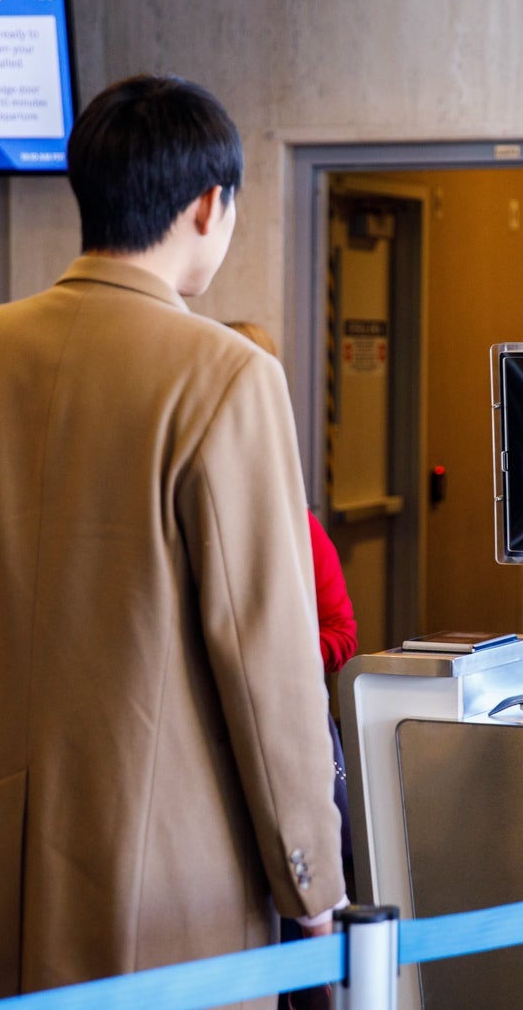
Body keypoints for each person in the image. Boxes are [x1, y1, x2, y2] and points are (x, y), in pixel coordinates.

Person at [0, 74, 346, 1010]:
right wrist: (312, 888)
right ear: (209, 204)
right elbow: (266, 657)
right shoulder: (227, 375)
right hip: (157, 869)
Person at [223, 320, 357, 1010]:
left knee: (306, 924)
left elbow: (342, 631)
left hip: (294, 736)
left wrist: (291, 651)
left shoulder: (297, 525)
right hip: (215, 753)